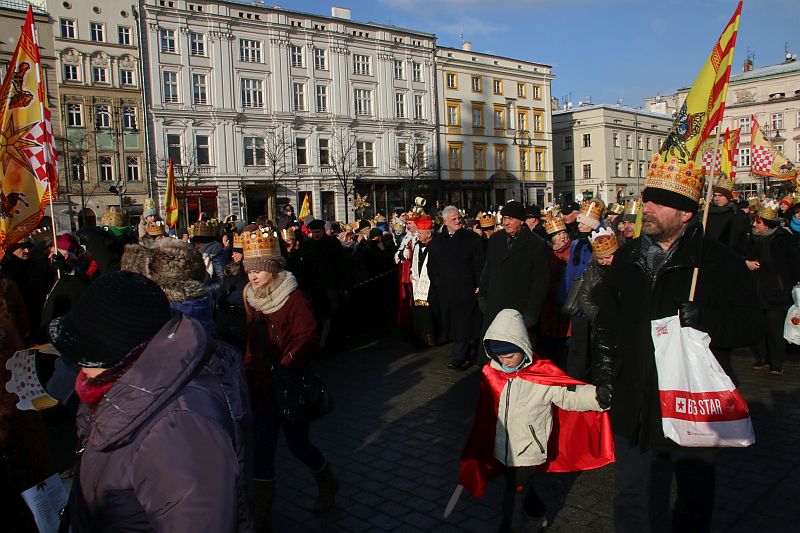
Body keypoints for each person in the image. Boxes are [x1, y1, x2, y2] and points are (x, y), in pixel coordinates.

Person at [593, 153, 763, 532]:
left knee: (693, 496)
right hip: (634, 397)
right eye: (646, 199)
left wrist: (708, 320)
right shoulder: (629, 258)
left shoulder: (717, 262)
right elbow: (607, 323)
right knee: (631, 493)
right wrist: (604, 375)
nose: (646, 208)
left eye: (658, 202)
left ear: (686, 213)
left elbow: (752, 324)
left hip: (692, 399)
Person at [50, 271, 252, 531]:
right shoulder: (118, 388)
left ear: (122, 353)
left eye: (86, 353)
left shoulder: (179, 426)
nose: (78, 364)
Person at [458, 309, 613, 532]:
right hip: (504, 447)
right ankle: (537, 513)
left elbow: (569, 394)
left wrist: (597, 396)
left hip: (528, 450)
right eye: (499, 356)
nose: (505, 361)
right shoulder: (493, 373)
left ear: (523, 347)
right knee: (519, 486)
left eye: (510, 356)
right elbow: (486, 410)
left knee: (513, 496)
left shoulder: (541, 375)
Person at [241, 228, 338, 529]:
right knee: (262, 449)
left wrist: (288, 362)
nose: (253, 276)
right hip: (261, 387)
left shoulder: (293, 298)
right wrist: (247, 364)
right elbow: (252, 340)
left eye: (258, 270)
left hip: (289, 384)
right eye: (249, 270)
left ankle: (327, 482)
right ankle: (263, 517)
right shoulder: (250, 297)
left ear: (272, 269)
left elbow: (308, 337)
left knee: (298, 446)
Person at [480, 201, 551, 345]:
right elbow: (488, 268)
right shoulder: (495, 239)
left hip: (520, 307)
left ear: (521, 220)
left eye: (510, 219)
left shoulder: (536, 244)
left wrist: (532, 312)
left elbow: (541, 281)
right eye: (504, 218)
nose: (506, 222)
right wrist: (482, 295)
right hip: (495, 305)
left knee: (517, 352)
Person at [745, 200, 800, 375]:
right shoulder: (753, 239)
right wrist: (747, 263)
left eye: (758, 222)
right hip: (758, 289)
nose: (754, 224)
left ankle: (776, 363)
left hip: (777, 291)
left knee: (775, 329)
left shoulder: (785, 239)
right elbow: (743, 257)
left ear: (767, 225)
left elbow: (794, 264)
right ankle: (763, 359)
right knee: (760, 327)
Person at [428, 206, 485, 368]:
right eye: (453, 219)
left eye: (458, 217)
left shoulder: (471, 238)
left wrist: (479, 283)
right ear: (445, 222)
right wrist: (438, 283)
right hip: (446, 291)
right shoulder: (438, 241)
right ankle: (462, 350)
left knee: (464, 323)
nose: (458, 221)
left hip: (466, 289)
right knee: (454, 323)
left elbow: (480, 263)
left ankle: (459, 357)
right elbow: (432, 266)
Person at [409, 215, 436, 346]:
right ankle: (421, 335)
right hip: (418, 284)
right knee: (418, 311)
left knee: (430, 314)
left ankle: (431, 338)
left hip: (432, 286)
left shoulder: (436, 246)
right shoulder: (418, 246)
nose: (418, 235)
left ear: (429, 234)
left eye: (420, 233)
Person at [704, 173, 749, 254]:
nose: (717, 198)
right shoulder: (707, 213)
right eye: (715, 195)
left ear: (728, 197)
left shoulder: (738, 215)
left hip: (730, 255)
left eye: (721, 195)